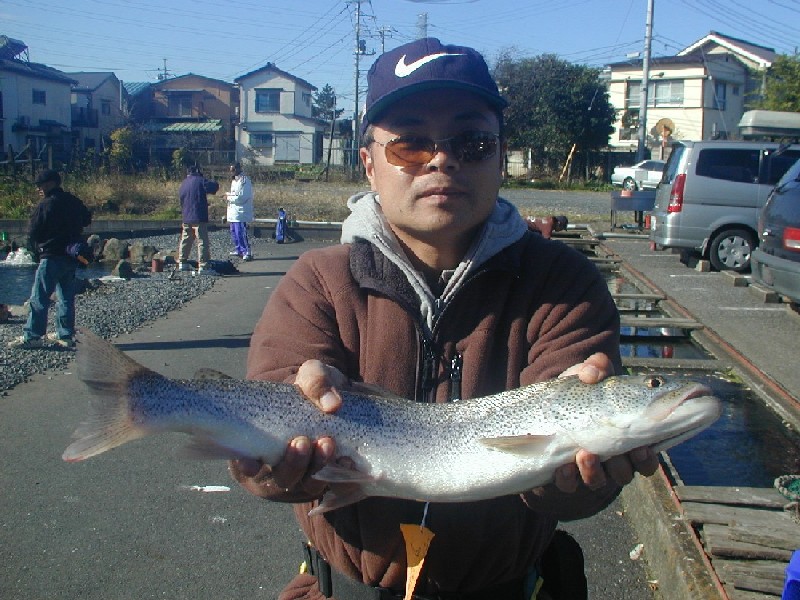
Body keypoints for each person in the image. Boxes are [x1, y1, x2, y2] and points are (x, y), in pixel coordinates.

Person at [231, 38, 658, 599]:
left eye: (472, 142)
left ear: (500, 157)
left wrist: (583, 479)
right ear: (370, 164)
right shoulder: (317, 279)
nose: (441, 160)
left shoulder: (563, 283)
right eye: (410, 144)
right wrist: (276, 461)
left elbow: (566, 491)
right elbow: (261, 451)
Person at [8, 169, 91, 349]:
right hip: (71, 256)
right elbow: (87, 219)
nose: (38, 188)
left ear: (51, 183)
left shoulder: (46, 204)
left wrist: (36, 249)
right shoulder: (73, 201)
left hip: (51, 256)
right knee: (66, 297)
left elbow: (33, 231)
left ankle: (33, 335)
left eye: (40, 185)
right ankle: (65, 334)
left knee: (39, 297)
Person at [177, 165, 217, 272]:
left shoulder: (184, 183)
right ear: (198, 171)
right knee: (202, 240)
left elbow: (181, 199)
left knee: (186, 239)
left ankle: (182, 262)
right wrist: (210, 178)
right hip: (198, 215)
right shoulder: (201, 180)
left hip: (186, 216)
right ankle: (203, 265)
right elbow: (214, 187)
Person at [225, 162, 254, 260]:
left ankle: (246, 251)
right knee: (233, 232)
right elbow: (234, 194)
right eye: (230, 170)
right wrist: (228, 195)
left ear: (238, 169)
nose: (231, 172)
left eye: (233, 170)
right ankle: (239, 249)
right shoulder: (234, 181)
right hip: (233, 211)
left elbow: (242, 197)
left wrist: (228, 197)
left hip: (241, 212)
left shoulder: (244, 180)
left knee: (240, 232)